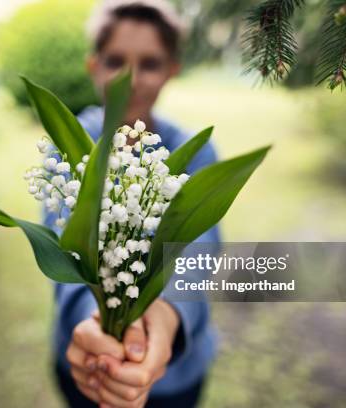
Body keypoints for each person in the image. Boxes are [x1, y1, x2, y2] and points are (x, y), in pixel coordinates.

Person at [44, 1, 220, 407]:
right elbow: (65, 252)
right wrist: (98, 330)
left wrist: (166, 316)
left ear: (173, 69)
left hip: (173, 371)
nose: (131, 79)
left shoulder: (193, 153)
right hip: (89, 361)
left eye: (150, 63)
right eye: (116, 60)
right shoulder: (70, 143)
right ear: (94, 65)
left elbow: (199, 250)